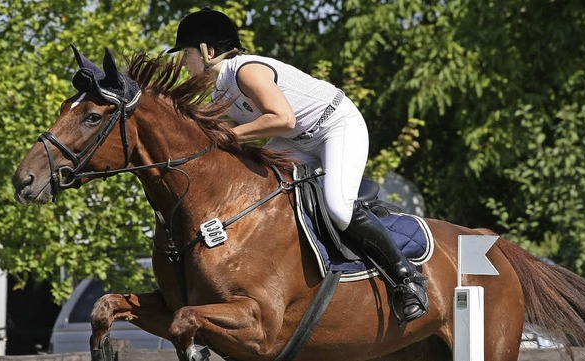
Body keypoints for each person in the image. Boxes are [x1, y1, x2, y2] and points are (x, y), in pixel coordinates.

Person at [167, 7, 428, 324]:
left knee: (339, 207)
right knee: (263, 194)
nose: (183, 62)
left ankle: (407, 278)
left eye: (186, 53)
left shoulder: (244, 71)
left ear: (208, 51)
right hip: (294, 141)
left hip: (335, 127)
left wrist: (229, 135)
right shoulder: (218, 87)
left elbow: (282, 117)